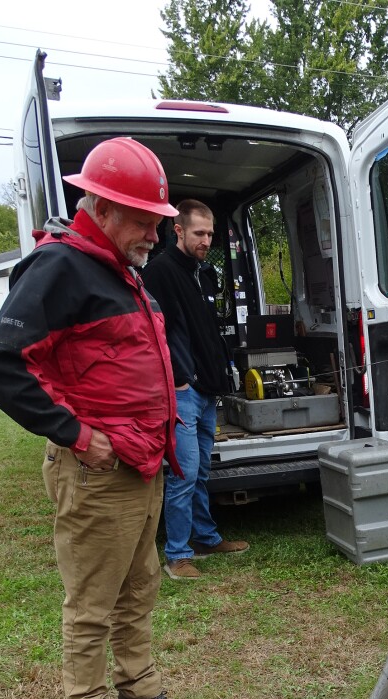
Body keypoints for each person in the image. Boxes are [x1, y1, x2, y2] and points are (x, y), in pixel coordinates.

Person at [0, 138, 202, 699]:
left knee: (138, 588)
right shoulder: (61, 267)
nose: (154, 233)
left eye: (157, 220)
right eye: (143, 219)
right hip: (96, 471)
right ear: (103, 207)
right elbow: (4, 361)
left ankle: (136, 694)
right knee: (92, 601)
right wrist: (75, 435)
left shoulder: (120, 270)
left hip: (141, 465)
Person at [143, 200, 249, 581]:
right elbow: (153, 334)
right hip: (182, 392)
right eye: (199, 233)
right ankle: (177, 555)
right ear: (178, 230)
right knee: (184, 473)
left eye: (210, 234)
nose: (206, 240)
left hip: (206, 391)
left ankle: (205, 537)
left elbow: (205, 331)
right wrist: (179, 379)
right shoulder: (159, 272)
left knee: (201, 470)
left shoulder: (203, 273)